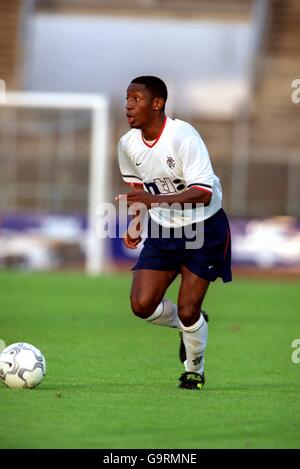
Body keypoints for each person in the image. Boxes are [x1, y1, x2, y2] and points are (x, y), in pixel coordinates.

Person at [116, 76, 232, 390]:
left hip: (204, 228)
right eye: (127, 98)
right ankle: (191, 326)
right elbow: (141, 187)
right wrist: (138, 222)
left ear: (158, 103)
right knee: (142, 305)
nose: (129, 104)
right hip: (164, 229)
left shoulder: (183, 136)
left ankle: (194, 370)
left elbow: (202, 193)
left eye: (137, 98)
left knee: (188, 308)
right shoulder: (128, 144)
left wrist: (151, 201)